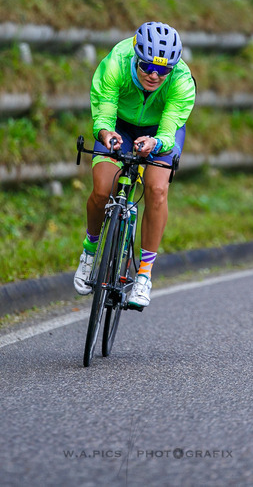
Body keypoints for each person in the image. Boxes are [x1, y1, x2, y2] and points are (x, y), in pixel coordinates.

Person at [73, 21, 196, 307]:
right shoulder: (116, 62)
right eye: (146, 67)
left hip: (159, 131)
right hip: (118, 125)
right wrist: (105, 134)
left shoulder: (181, 80)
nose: (154, 75)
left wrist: (157, 143)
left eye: (163, 69)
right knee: (103, 188)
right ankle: (90, 252)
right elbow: (103, 111)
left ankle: (144, 275)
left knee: (157, 190)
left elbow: (169, 129)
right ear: (135, 54)